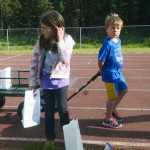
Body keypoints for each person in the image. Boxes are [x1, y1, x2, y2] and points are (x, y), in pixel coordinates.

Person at [29, 10, 75, 143]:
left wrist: (60, 41)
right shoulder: (41, 41)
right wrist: (33, 82)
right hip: (46, 83)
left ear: (55, 28)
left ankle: (69, 139)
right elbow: (34, 62)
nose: (41, 30)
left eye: (44, 28)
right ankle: (50, 139)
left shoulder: (67, 40)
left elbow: (65, 60)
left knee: (63, 110)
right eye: (41, 27)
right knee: (48, 112)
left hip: (61, 83)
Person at [97, 13, 128, 128]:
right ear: (107, 29)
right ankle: (107, 118)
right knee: (112, 97)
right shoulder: (107, 44)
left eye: (118, 28)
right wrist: (102, 70)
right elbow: (100, 60)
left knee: (124, 90)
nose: (115, 30)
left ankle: (113, 109)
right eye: (112, 28)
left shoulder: (118, 40)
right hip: (109, 74)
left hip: (118, 72)